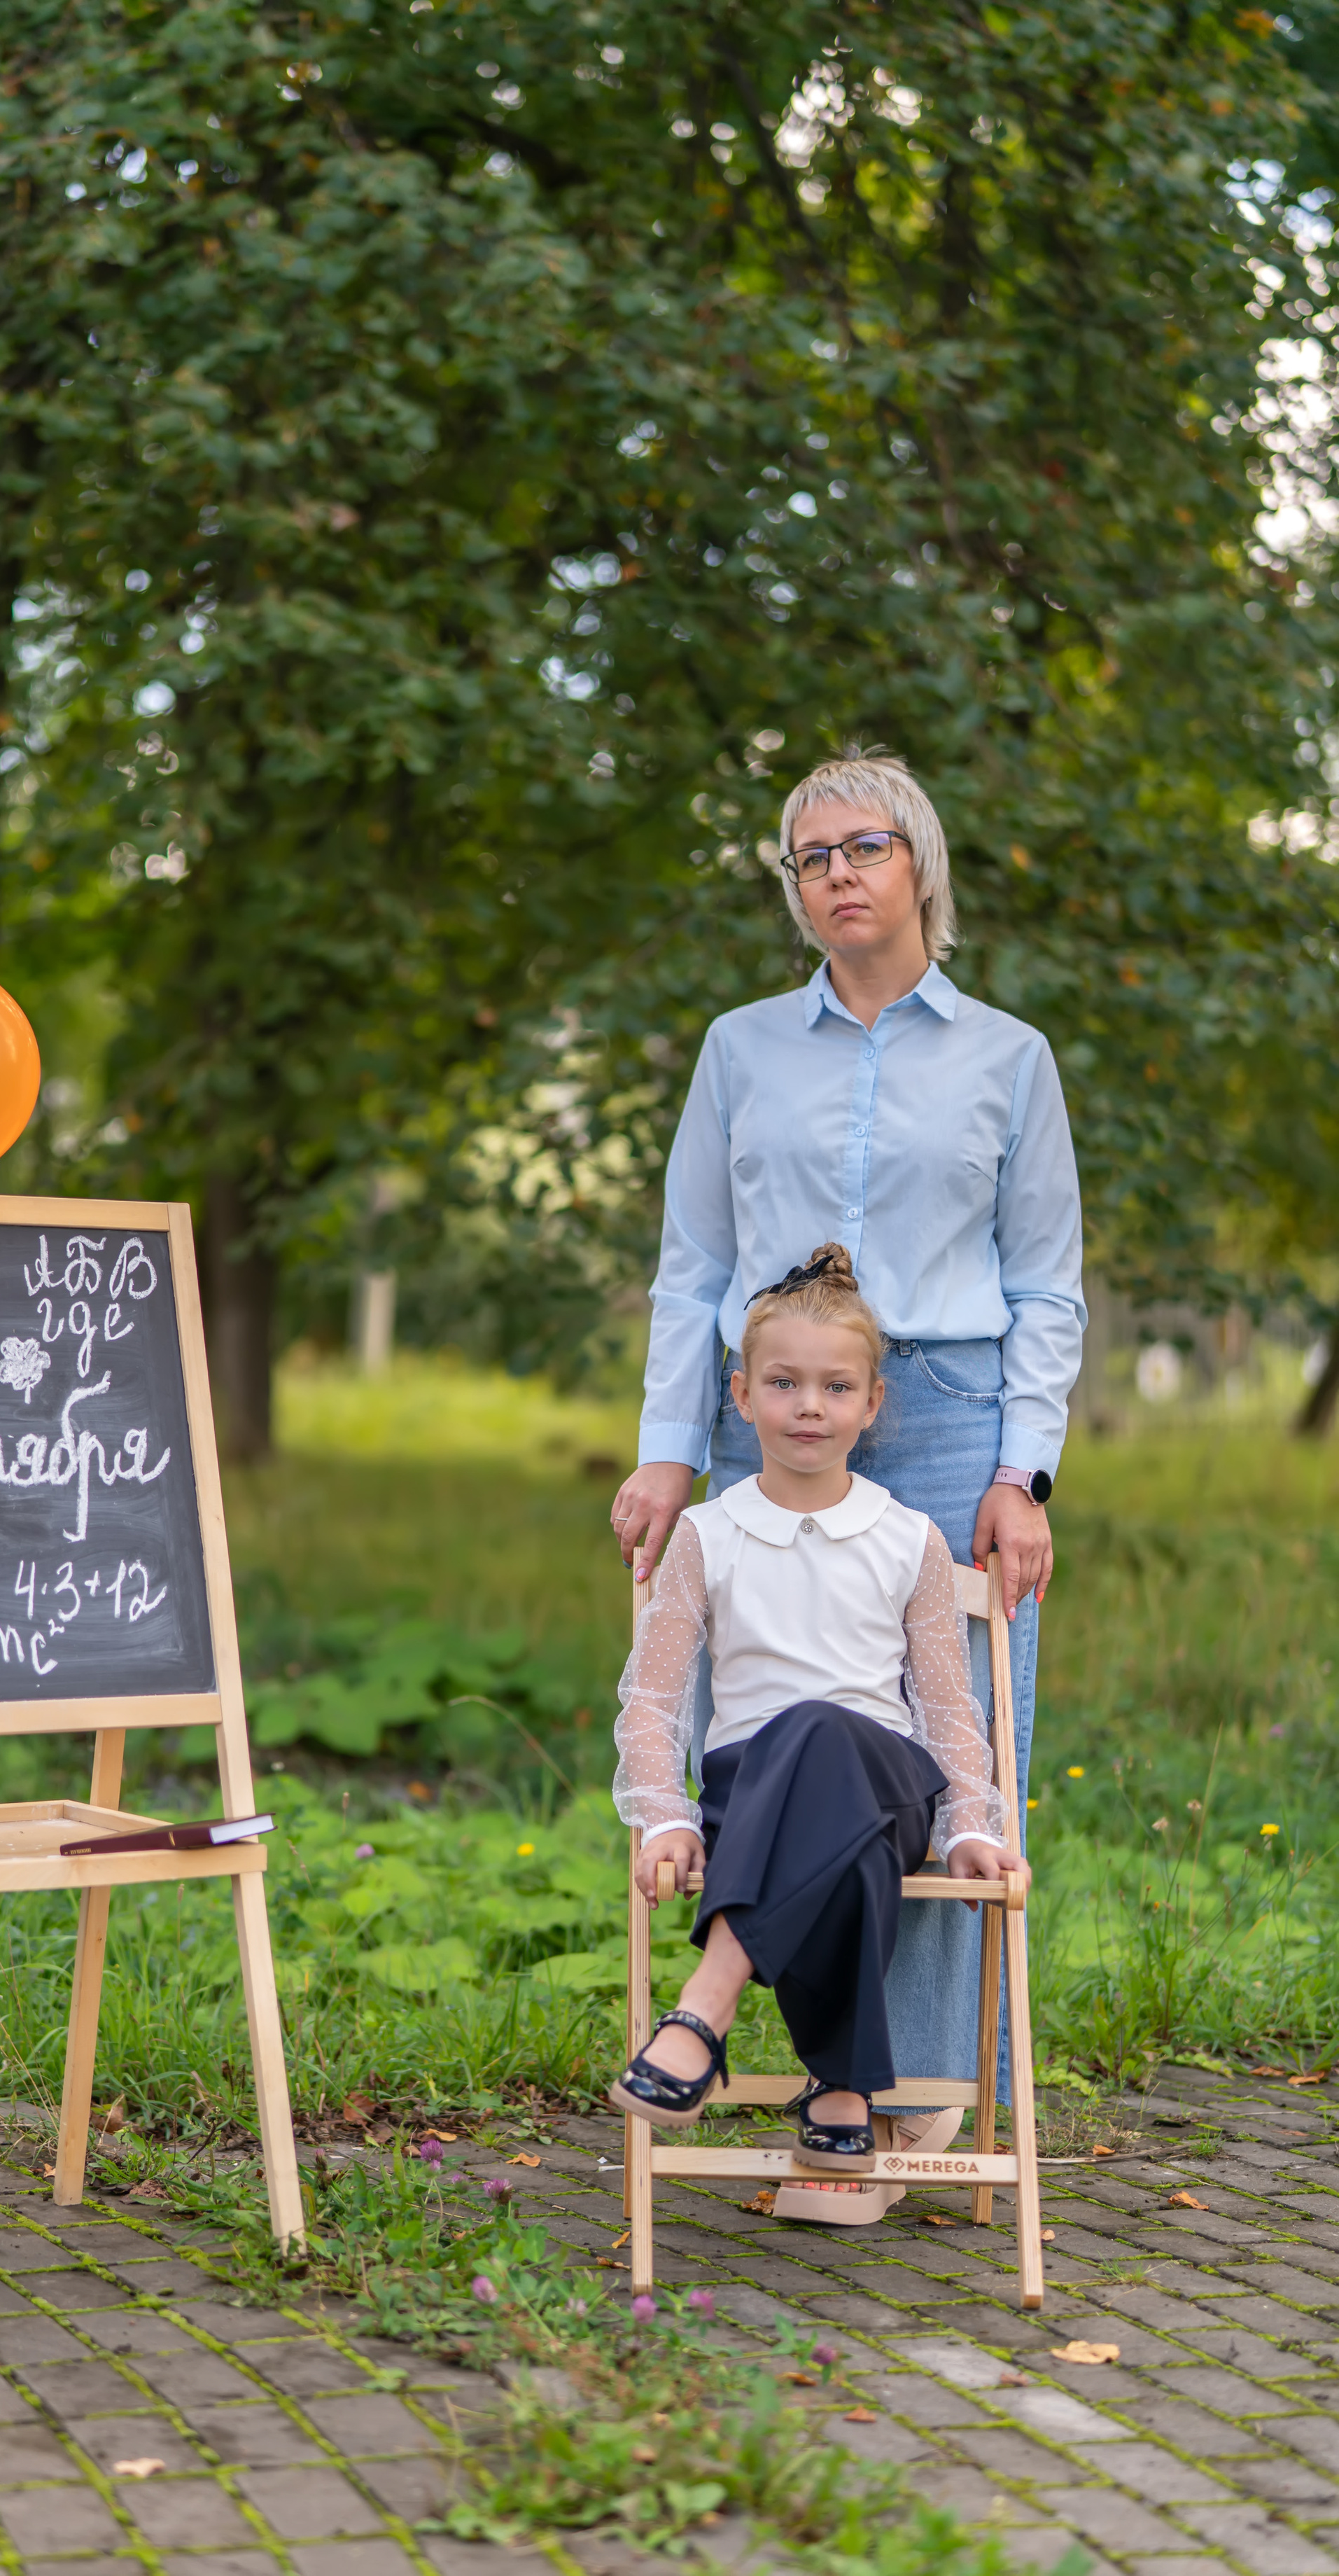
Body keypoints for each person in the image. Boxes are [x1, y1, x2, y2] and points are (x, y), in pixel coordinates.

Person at [610, 749, 1082, 2177]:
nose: (831, 876)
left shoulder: (1007, 1056)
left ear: (915, 862)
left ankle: (915, 2094)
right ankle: (824, 2069)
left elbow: (1046, 1281)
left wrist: (1025, 1469)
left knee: (941, 1755)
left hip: (943, 1410)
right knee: (756, 1714)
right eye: (805, 858)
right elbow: (690, 1268)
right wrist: (664, 1449)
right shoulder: (739, 1048)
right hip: (776, 1400)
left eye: (857, 847)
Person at [610, 1248, 1031, 2201]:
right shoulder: (708, 1535)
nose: (810, 1405)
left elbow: (947, 1708)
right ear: (742, 1394)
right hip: (756, 1797)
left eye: (836, 1386)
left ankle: (704, 2009)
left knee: (825, 1730)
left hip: (889, 1779)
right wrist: (665, 1815)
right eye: (785, 1383)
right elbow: (655, 1699)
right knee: (826, 1805)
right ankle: (843, 2086)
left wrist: (972, 1824)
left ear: (873, 1402)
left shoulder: (906, 1537)